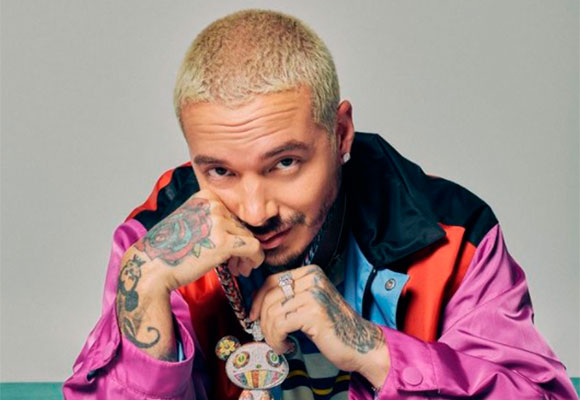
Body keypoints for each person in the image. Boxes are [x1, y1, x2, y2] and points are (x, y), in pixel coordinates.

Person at [63, 9, 577, 400]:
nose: (255, 210)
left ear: (341, 133)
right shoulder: (154, 245)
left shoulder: (454, 238)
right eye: (220, 171)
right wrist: (145, 290)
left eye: (284, 163)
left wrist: (372, 349)